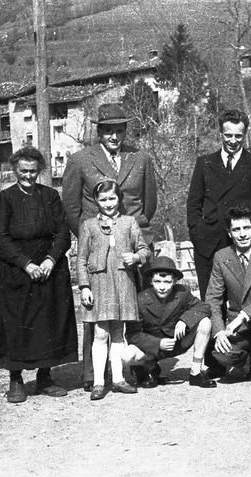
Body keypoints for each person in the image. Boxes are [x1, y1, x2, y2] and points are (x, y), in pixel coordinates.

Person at [62, 102, 158, 391]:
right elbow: (71, 206)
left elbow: (149, 202)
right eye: (108, 131)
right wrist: (92, 236)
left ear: (125, 130)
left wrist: (133, 231)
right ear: (99, 132)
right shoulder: (80, 160)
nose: (114, 136)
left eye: (119, 130)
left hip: (134, 241)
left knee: (137, 306)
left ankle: (141, 369)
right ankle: (93, 375)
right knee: (98, 316)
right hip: (98, 246)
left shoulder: (140, 158)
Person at [0, 146, 78, 403]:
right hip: (17, 271)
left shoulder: (50, 196)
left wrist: (51, 259)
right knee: (16, 324)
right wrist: (27, 264)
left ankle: (45, 377)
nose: (28, 176)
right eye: (23, 171)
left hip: (51, 269)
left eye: (33, 171)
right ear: (15, 170)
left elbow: (63, 233)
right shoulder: (4, 198)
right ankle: (16, 380)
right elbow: (1, 239)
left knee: (49, 322)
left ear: (39, 170)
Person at [187, 109, 251, 298]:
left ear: (245, 135)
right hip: (209, 242)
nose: (233, 141)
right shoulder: (205, 163)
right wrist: (197, 232)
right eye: (228, 135)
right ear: (220, 134)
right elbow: (193, 203)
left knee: (248, 298)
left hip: (243, 242)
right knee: (211, 300)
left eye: (238, 136)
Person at [77, 180, 152, 400]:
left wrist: (137, 257)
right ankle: (99, 382)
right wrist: (84, 287)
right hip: (99, 285)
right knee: (100, 333)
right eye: (103, 199)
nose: (108, 203)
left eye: (112, 198)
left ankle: (119, 379)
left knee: (119, 332)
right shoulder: (88, 225)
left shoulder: (129, 222)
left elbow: (144, 248)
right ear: (96, 201)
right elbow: (81, 259)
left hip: (122, 283)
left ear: (119, 199)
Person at [122, 256, 217, 388]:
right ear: (151, 281)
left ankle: (195, 372)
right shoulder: (141, 299)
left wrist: (185, 320)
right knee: (127, 356)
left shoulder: (182, 293)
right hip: (152, 348)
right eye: (157, 281)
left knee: (205, 322)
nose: (162, 287)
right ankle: (149, 368)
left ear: (175, 281)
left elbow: (204, 307)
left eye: (167, 282)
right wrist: (158, 343)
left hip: (177, 342)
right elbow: (132, 334)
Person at [205, 205, 251, 381]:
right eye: (236, 229)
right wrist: (219, 332)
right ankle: (248, 360)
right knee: (221, 354)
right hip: (237, 327)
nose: (242, 234)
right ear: (229, 233)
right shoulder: (222, 257)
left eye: (247, 228)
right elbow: (213, 299)